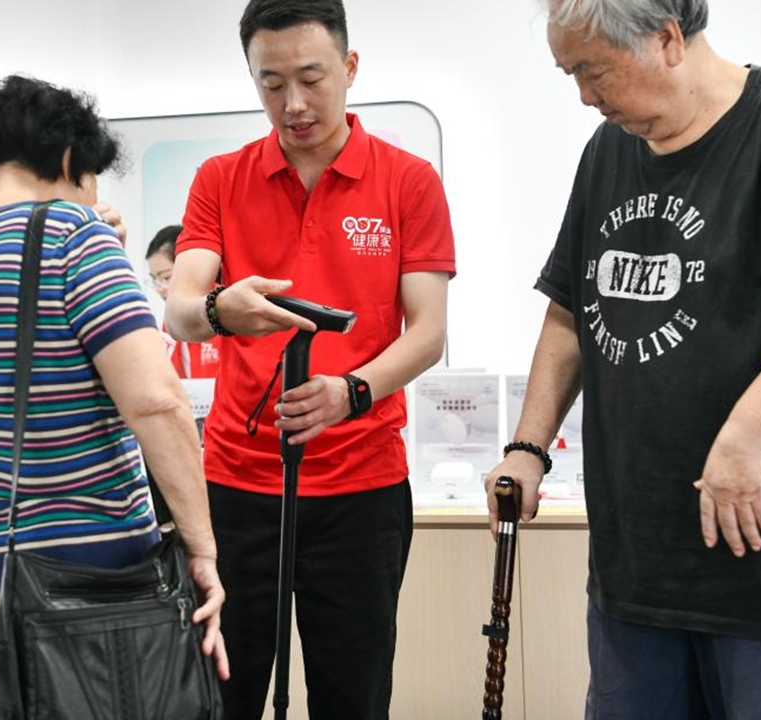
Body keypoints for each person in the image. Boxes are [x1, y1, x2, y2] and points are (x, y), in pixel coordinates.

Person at [486, 1, 761, 717]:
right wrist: (528, 446)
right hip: (643, 578)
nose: (585, 98)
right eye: (570, 74)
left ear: (666, 39)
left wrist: (748, 434)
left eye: (593, 71)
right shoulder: (608, 152)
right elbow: (569, 312)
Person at [165, 1, 455, 717]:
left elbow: (427, 333)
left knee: (351, 698)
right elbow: (179, 306)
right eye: (270, 84)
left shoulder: (407, 181)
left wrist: (351, 392)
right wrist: (217, 310)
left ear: (350, 69)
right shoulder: (221, 179)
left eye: (311, 78)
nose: (292, 104)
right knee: (220, 695)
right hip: (236, 486)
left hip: (361, 487)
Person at [0, 75, 228, 720]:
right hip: (85, 591)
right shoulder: (72, 236)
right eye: (92, 178)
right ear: (65, 160)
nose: (96, 197)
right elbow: (158, 404)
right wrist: (203, 550)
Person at [146, 224, 222, 378]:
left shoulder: (222, 307)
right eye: (155, 279)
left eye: (166, 277)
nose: (159, 288)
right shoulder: (170, 319)